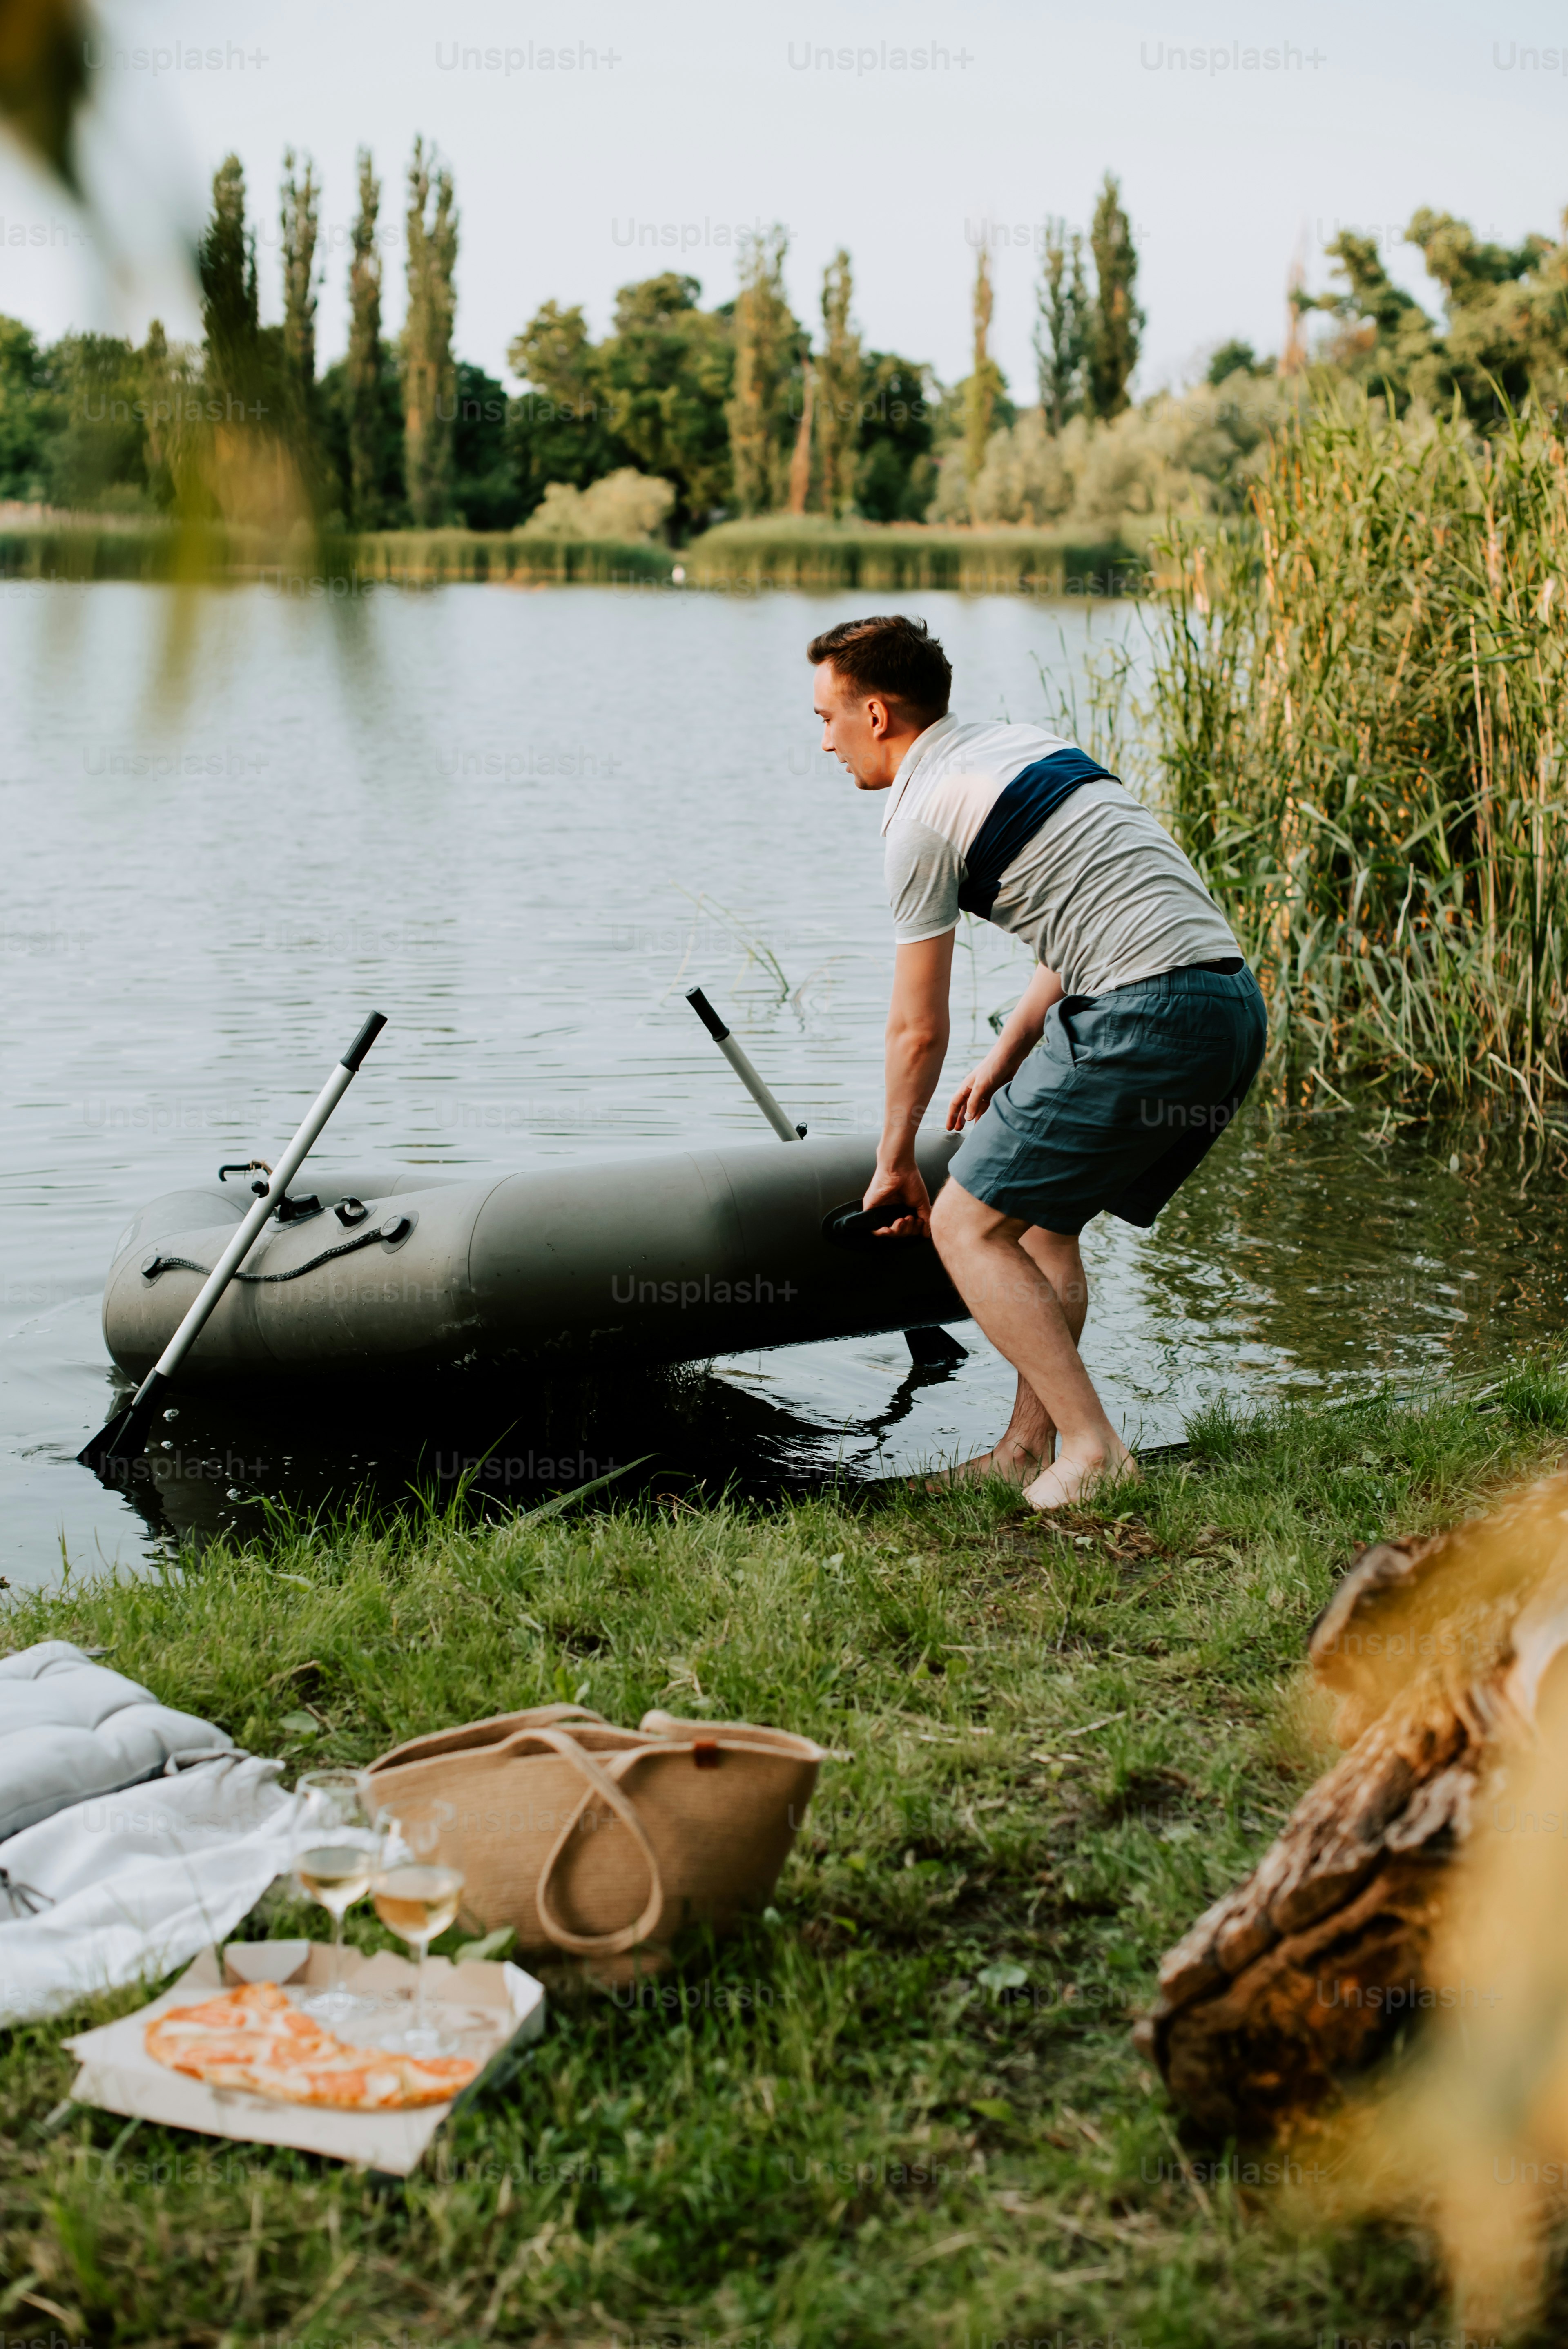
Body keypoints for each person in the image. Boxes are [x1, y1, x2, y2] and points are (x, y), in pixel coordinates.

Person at [809, 612, 1266, 1511]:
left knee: (966, 1224)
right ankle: (1028, 1447)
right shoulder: (1019, 749)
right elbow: (1080, 923)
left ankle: (1093, 1452)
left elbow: (915, 1028)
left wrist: (896, 1163)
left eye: (826, 717)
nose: (823, 740)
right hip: (1228, 1003)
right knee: (1041, 1223)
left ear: (875, 713)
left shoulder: (918, 818)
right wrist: (1009, 1054)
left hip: (1145, 1008)